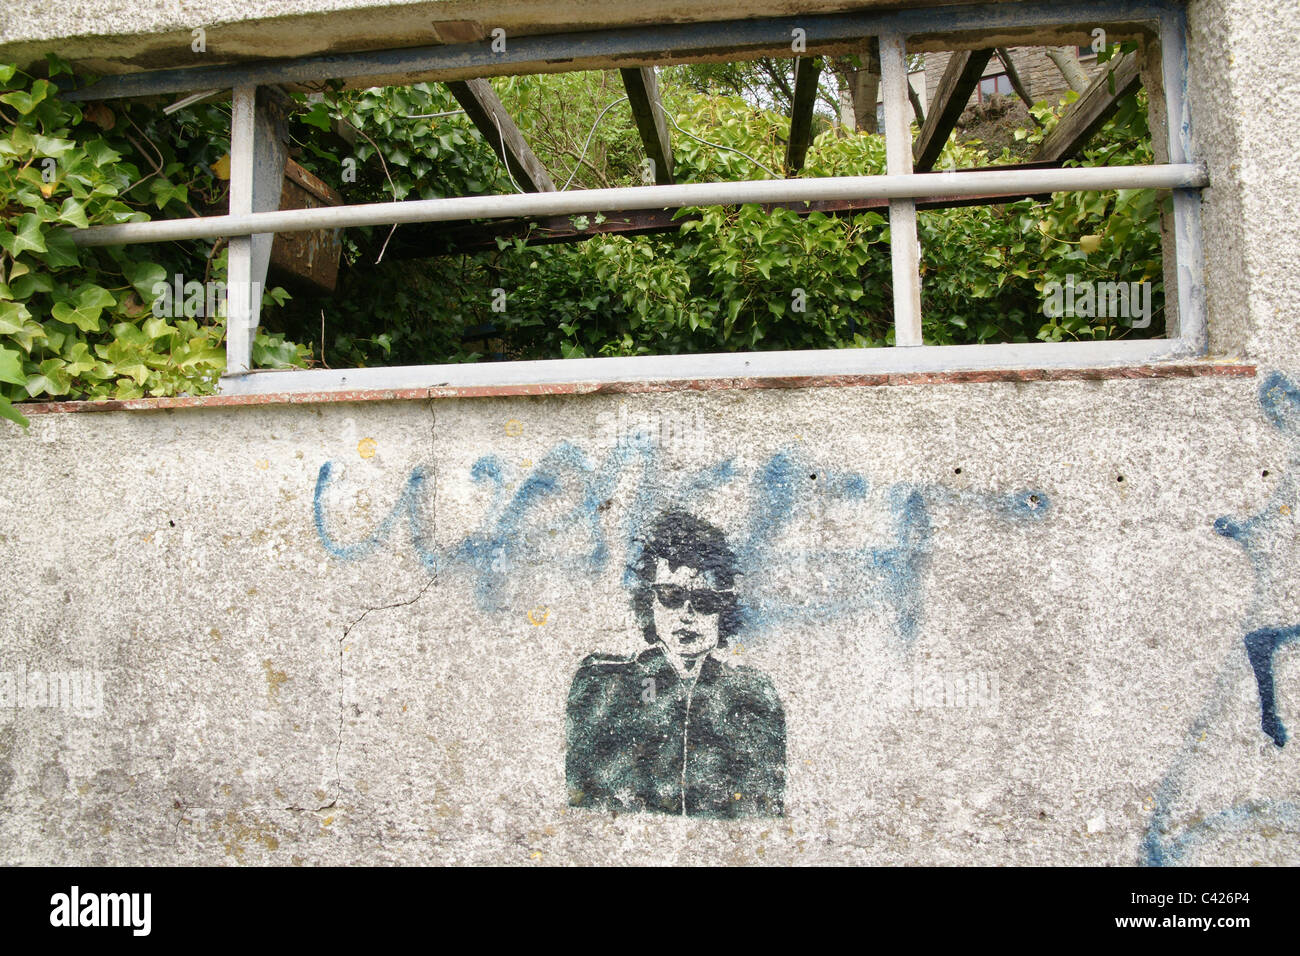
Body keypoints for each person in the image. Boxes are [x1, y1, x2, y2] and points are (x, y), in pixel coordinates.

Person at [565, 509, 786, 817]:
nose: (687, 614)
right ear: (649, 602)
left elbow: (764, 808)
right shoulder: (605, 683)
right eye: (671, 595)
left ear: (724, 612)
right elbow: (583, 804)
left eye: (705, 601)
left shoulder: (751, 696)